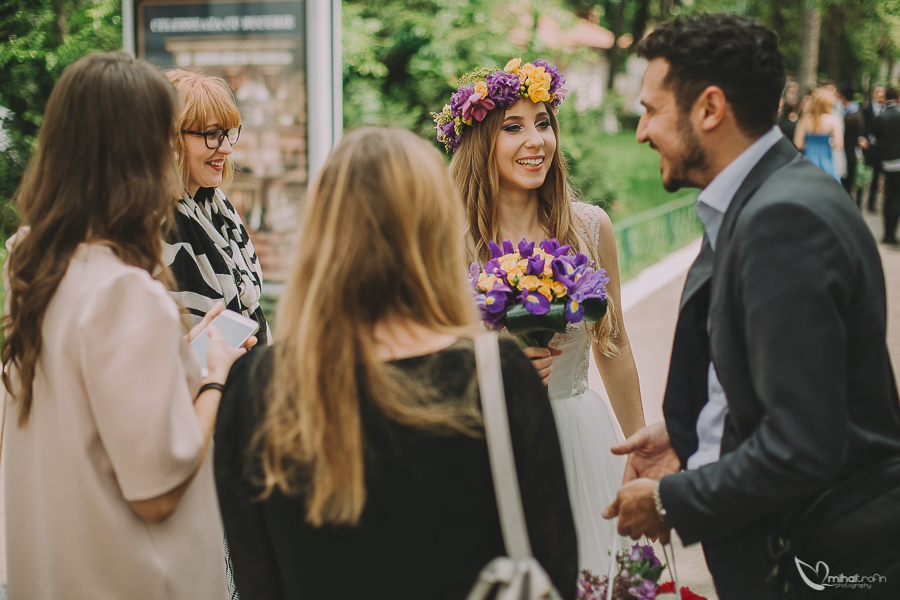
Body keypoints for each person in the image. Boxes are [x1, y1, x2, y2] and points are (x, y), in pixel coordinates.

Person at [602, 13, 900, 599]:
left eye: (652, 109)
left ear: (709, 109)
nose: (641, 131)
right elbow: (789, 379)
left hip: (817, 560)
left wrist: (670, 500)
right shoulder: (768, 193)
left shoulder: (780, 220)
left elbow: (801, 444)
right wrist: (694, 436)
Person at [214, 127, 578, 600]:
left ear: (321, 233)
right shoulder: (497, 376)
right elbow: (556, 567)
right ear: (438, 230)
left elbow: (254, 579)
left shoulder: (255, 387)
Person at [1, 52, 244, 599]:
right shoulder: (123, 291)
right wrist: (213, 375)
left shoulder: (30, 266)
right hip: (132, 576)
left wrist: (171, 357)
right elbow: (157, 490)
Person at [435, 57, 645, 575]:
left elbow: (613, 348)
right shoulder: (443, 240)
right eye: (513, 127)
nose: (537, 141)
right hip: (479, 443)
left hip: (576, 438)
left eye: (544, 122)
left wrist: (640, 454)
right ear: (480, 142)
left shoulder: (591, 229)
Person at [163, 70, 270, 345]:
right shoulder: (153, 223)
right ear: (169, 138)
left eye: (228, 134)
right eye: (211, 134)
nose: (226, 148)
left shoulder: (216, 207)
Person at [793, 90, 842, 180]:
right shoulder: (834, 120)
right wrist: (829, 142)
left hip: (808, 157)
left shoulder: (804, 120)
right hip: (826, 158)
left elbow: (798, 144)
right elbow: (839, 145)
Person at [872, 87, 900, 245]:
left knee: (887, 198)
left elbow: (878, 139)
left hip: (886, 161)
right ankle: (892, 233)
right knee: (897, 198)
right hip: (899, 160)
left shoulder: (879, 117)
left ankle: (886, 232)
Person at [861, 85, 886, 212]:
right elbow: (863, 126)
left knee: (876, 176)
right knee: (863, 173)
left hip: (879, 147)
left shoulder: (886, 110)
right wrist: (862, 138)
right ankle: (859, 202)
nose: (881, 95)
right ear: (873, 94)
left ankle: (872, 202)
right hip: (867, 146)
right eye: (878, 93)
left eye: (882, 93)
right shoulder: (866, 110)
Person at [840, 86, 864, 200]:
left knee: (846, 185)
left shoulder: (851, 116)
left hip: (848, 153)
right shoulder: (856, 112)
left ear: (843, 98)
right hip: (851, 152)